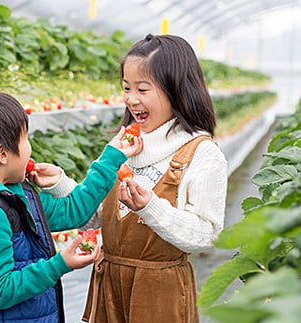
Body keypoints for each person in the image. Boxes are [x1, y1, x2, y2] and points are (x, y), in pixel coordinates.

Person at [36, 34, 228, 322]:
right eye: (126, 88)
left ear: (176, 90)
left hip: (159, 290)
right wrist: (59, 183)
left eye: (142, 89)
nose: (131, 99)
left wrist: (149, 206)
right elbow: (100, 215)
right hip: (110, 283)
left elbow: (205, 235)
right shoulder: (124, 143)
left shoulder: (201, 153)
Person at [0, 91, 142, 322]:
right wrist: (59, 264)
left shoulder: (15, 194)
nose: (29, 148)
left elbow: (75, 211)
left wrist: (112, 157)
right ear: (2, 153)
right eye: (25, 139)